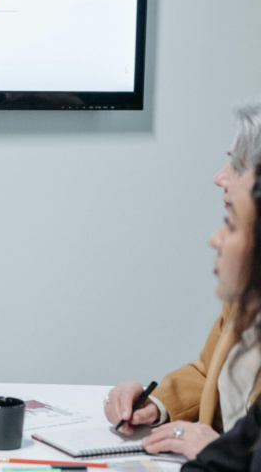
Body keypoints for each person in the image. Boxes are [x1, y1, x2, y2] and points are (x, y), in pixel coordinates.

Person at [105, 105, 261, 458]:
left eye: (236, 165)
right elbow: (211, 374)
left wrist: (225, 455)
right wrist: (156, 403)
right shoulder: (248, 292)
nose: (219, 177)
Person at [178, 168, 261, 471]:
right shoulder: (244, 308)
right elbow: (206, 372)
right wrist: (157, 405)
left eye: (232, 226)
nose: (215, 239)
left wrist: (212, 447)